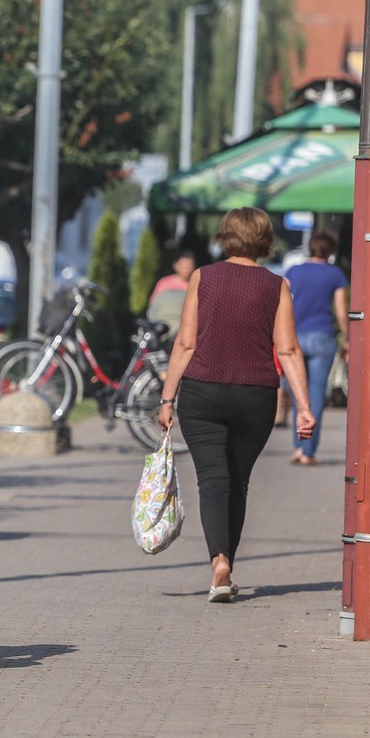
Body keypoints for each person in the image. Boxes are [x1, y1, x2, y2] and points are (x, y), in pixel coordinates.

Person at [157, 209, 314, 603]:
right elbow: (289, 349)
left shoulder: (203, 277)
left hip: (202, 392)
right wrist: (305, 406)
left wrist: (167, 397)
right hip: (255, 396)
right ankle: (228, 565)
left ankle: (219, 562)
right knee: (237, 482)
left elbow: (186, 343)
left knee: (212, 480)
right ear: (264, 240)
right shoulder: (276, 285)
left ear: (225, 236)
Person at [281, 230, 349, 465]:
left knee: (297, 393)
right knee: (316, 396)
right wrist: (347, 338)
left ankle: (299, 447)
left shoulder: (293, 272)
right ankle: (307, 451)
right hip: (322, 337)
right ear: (330, 250)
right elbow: (341, 311)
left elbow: (282, 302)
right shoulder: (335, 275)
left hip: (294, 337)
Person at [146, 250, 197, 337]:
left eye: (189, 266)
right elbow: (153, 305)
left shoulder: (195, 285)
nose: (187, 269)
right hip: (163, 327)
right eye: (184, 266)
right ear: (175, 265)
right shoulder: (164, 283)